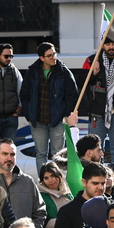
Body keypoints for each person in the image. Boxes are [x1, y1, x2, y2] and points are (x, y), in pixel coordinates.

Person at [20, 42, 78, 175]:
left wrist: (65, 114)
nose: (54, 58)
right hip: (37, 120)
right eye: (49, 56)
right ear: (42, 58)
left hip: (57, 120)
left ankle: (57, 182)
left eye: (54, 54)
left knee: (58, 155)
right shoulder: (32, 72)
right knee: (41, 154)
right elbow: (24, 94)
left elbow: (72, 94)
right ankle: (43, 182)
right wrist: (29, 114)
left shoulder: (63, 71)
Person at [78, 37, 114, 163]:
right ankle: (96, 179)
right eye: (108, 44)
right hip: (96, 112)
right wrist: (93, 73)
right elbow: (81, 84)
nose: (111, 47)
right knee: (94, 150)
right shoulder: (91, 60)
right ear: (102, 45)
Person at [0, 138, 47, 228]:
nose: (9, 158)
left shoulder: (27, 181)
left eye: (12, 154)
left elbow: (40, 211)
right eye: (5, 154)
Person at [53, 162, 107, 228]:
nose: (100, 187)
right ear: (84, 182)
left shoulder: (113, 207)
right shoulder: (67, 212)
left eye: (103, 183)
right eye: (95, 183)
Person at [37, 161, 73, 228]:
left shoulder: (66, 192)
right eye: (46, 178)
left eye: (52, 176)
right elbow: (41, 222)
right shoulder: (41, 196)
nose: (50, 180)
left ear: (58, 175)